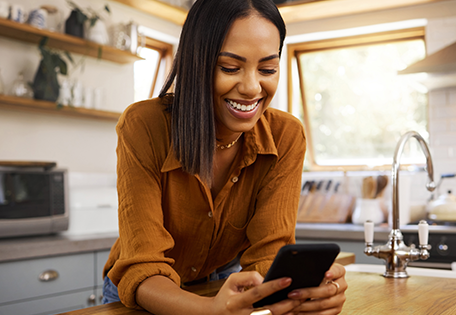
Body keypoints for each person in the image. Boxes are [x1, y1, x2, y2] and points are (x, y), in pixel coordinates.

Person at [102, 0, 348, 314]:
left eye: (268, 69)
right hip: (147, 295)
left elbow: (269, 254)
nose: (251, 87)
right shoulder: (143, 126)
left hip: (222, 287)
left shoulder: (286, 136)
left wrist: (302, 295)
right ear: (195, 63)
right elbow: (143, 265)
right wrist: (208, 311)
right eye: (230, 67)